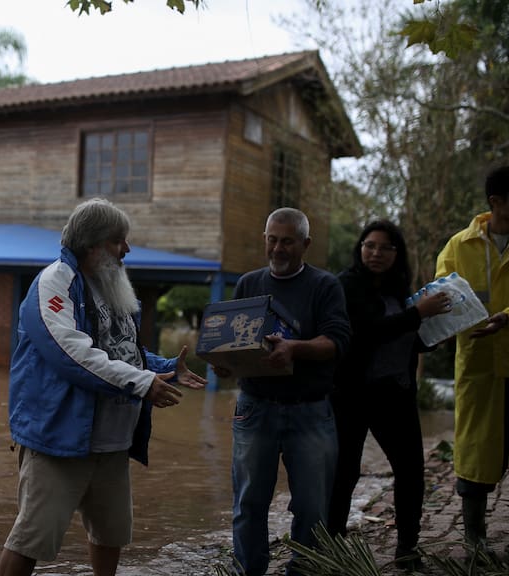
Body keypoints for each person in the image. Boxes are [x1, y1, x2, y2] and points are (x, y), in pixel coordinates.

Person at [0, 197, 207, 576]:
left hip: (112, 443)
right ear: (91, 244)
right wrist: (142, 383)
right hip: (59, 439)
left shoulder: (110, 285)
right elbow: (71, 353)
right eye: (117, 241)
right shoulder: (55, 283)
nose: (126, 249)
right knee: (30, 540)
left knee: (110, 535)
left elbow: (122, 350)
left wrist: (163, 368)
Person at [213, 207, 352, 576]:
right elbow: (234, 345)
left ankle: (304, 570)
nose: (278, 248)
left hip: (310, 410)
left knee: (311, 507)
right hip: (254, 407)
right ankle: (248, 570)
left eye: (288, 241)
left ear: (305, 244)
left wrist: (295, 348)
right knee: (248, 503)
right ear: (264, 240)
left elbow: (337, 341)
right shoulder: (248, 283)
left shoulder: (325, 286)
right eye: (272, 240)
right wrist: (224, 363)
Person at [326, 220, 451, 570]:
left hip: (396, 393)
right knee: (344, 472)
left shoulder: (399, 290)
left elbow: (404, 337)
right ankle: (332, 546)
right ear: (359, 248)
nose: (376, 253)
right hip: (352, 395)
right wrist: (416, 315)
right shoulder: (344, 285)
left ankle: (407, 549)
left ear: (397, 254)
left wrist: (430, 337)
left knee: (411, 470)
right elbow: (362, 333)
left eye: (385, 247)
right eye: (370, 245)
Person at [435, 164, 509, 554]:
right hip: (478, 366)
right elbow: (442, 297)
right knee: (476, 452)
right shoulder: (458, 247)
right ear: (496, 202)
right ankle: (475, 541)